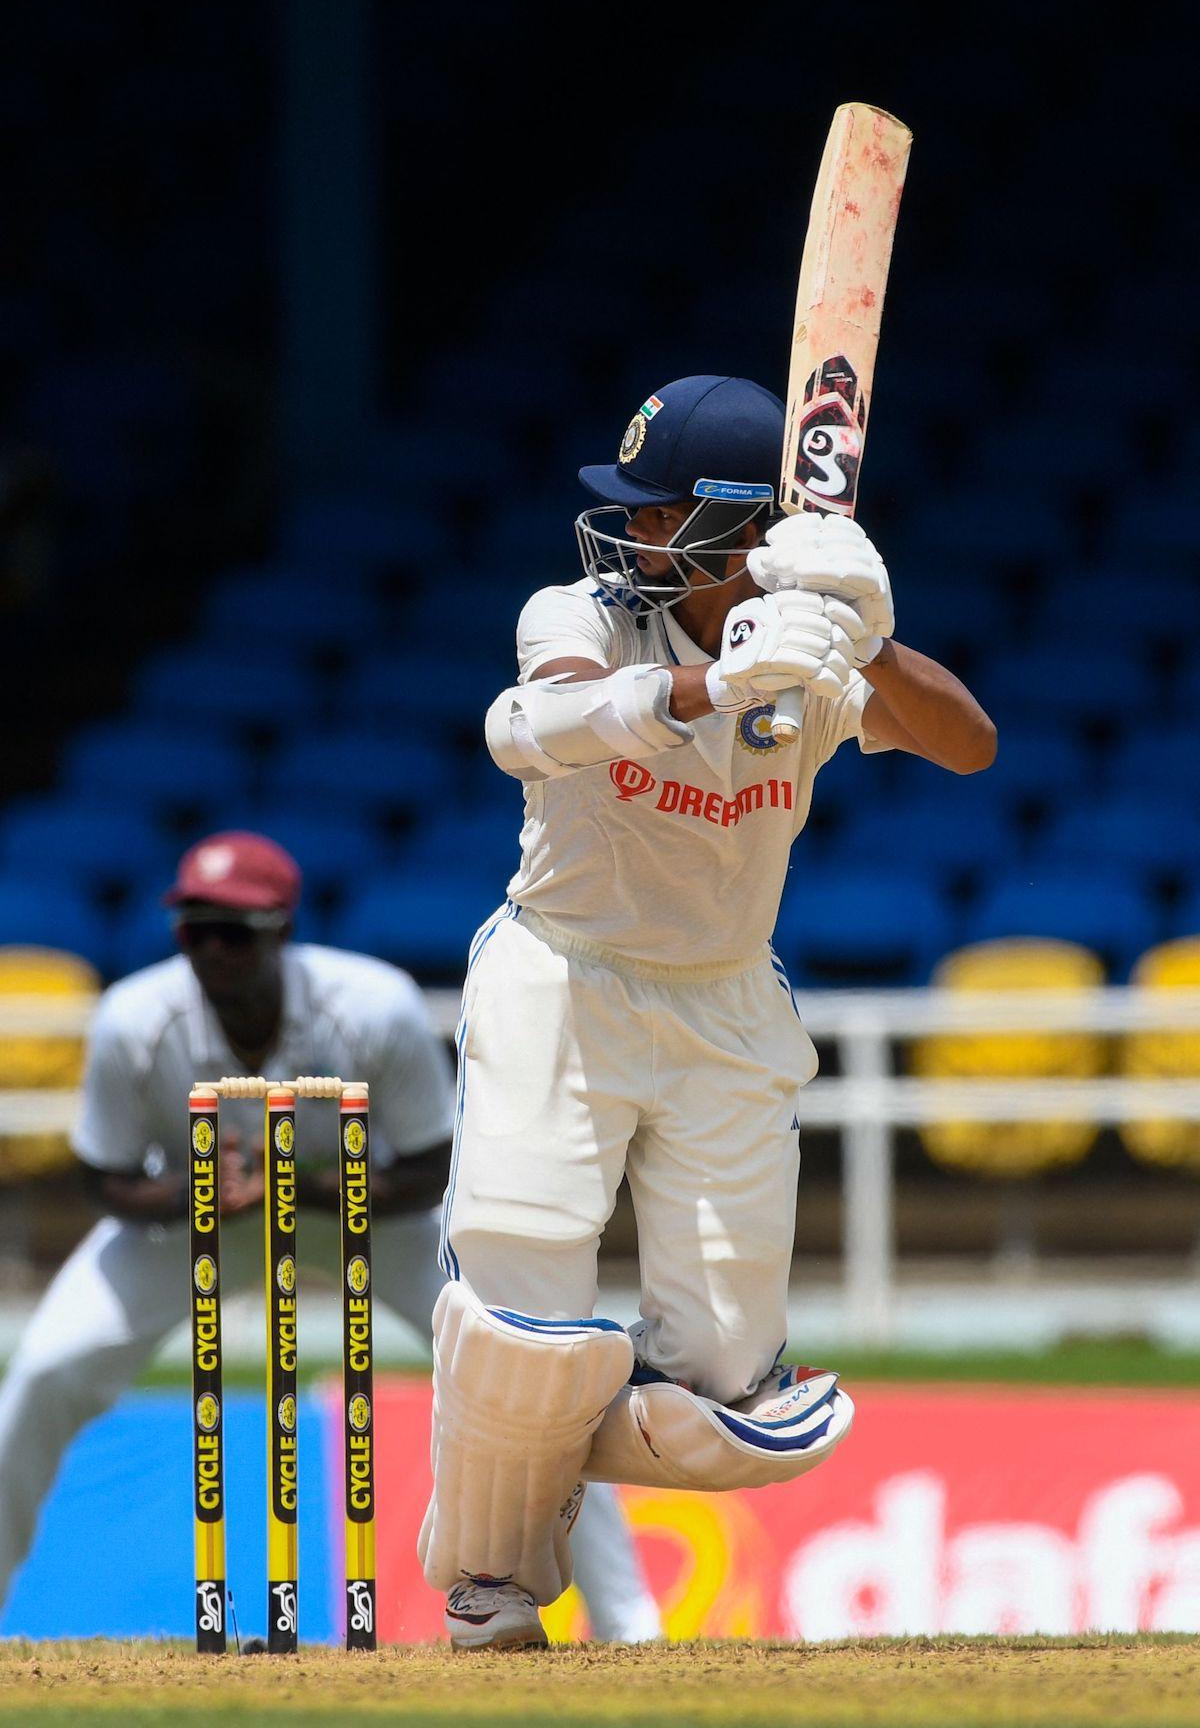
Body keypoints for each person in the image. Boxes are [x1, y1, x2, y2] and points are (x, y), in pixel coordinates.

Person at [421, 373, 997, 1649]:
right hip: (562, 980)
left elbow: (968, 747)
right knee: (518, 1316)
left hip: (726, 1006)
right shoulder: (576, 610)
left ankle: (536, 1434)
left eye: (659, 508)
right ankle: (491, 1583)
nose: (626, 529)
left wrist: (865, 633)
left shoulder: (813, 645)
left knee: (741, 1408)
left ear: (741, 531)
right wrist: (713, 690)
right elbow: (535, 727)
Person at [0, 830, 659, 1643]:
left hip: (368, 1219)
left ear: (281, 928)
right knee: (42, 1371)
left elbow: (429, 1166)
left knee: (524, 1378)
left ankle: (631, 1624)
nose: (210, 950)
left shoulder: (370, 1005)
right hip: (202, 1225)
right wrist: (197, 1195)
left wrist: (296, 1184)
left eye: (232, 931)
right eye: (192, 930)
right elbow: (101, 1178)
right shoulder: (135, 1020)